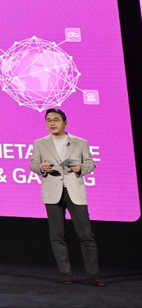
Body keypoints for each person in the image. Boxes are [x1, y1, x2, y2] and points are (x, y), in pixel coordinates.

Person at [29, 108, 103, 286]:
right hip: (52, 193)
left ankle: (93, 275)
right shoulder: (40, 143)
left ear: (65, 123)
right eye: (48, 120)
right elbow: (33, 164)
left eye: (56, 119)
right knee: (57, 235)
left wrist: (81, 168)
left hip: (75, 192)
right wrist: (41, 168)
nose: (52, 123)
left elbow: (90, 164)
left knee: (86, 234)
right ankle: (65, 273)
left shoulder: (80, 142)